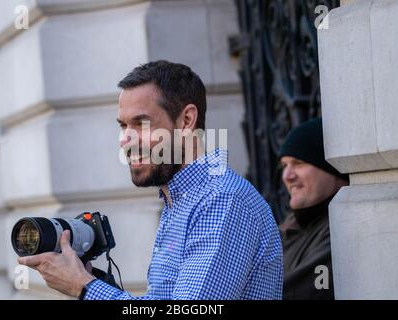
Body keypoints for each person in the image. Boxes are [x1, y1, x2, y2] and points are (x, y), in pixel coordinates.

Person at [18, 60, 283, 300]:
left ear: (187, 120)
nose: (125, 140)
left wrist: (85, 287)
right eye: (123, 126)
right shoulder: (180, 200)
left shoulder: (222, 200)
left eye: (141, 124)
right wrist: (92, 280)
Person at [278, 118, 349, 300]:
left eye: (298, 163)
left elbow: (304, 291)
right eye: (285, 165)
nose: (287, 175)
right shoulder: (290, 227)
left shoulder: (344, 227)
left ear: (332, 168)